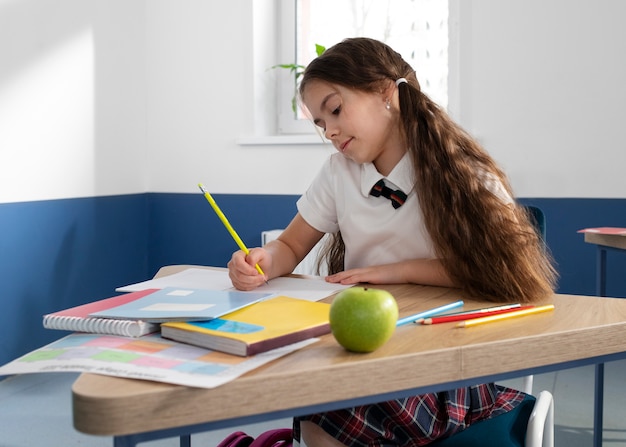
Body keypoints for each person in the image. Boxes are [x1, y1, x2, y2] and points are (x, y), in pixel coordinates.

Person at [228, 37, 557, 447]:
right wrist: (261, 261)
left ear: (388, 94)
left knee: (329, 412)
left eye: (334, 109)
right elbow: (291, 247)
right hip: (364, 355)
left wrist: (394, 271)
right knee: (319, 403)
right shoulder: (338, 174)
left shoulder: (465, 174)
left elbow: (505, 271)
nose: (329, 130)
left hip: (445, 366)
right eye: (318, 122)